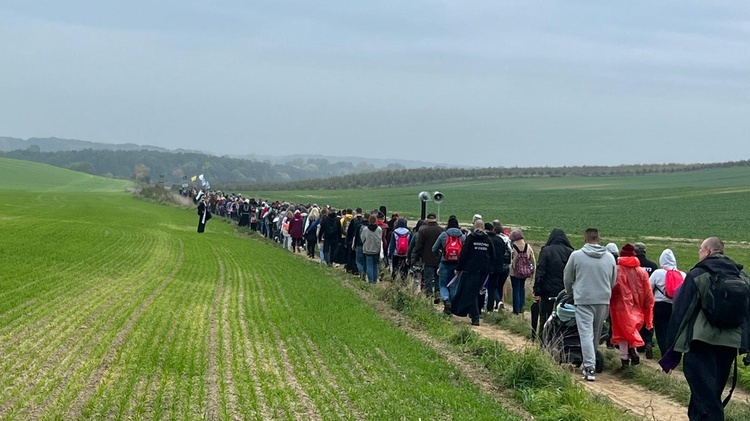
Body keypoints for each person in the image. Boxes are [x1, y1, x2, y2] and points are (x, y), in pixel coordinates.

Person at [664, 237, 750, 420]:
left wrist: (670, 353)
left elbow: (681, 313)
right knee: (710, 395)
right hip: (729, 346)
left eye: (700, 250)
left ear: (708, 252)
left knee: (706, 401)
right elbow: (747, 314)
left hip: (700, 344)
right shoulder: (741, 276)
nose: (699, 253)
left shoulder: (698, 274)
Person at [563, 227, 617, 382]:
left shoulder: (576, 256)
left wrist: (571, 293)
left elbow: (567, 277)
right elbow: (613, 280)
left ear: (585, 239)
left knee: (585, 333)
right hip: (603, 300)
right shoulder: (609, 258)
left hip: (583, 299)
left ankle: (589, 367)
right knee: (595, 333)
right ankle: (590, 363)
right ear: (598, 239)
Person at [610, 244, 654, 369]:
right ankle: (632, 350)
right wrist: (648, 308)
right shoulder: (642, 272)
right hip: (637, 306)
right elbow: (648, 292)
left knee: (622, 332)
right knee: (631, 330)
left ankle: (624, 360)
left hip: (619, 306)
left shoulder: (617, 270)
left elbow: (611, 287)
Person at [452, 220, 495, 326]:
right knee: (475, 293)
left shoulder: (470, 238)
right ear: (484, 227)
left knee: (470, 293)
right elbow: (493, 256)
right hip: (483, 271)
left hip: (470, 270)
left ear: (474, 227)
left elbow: (464, 254)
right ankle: (474, 314)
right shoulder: (488, 240)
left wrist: (458, 268)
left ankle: (474, 317)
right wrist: (490, 269)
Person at [533, 228, 574, 339]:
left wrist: (537, 290)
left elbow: (540, 272)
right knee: (563, 319)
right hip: (565, 291)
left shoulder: (546, 250)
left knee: (544, 317)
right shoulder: (571, 252)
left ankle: (543, 340)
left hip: (547, 290)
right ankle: (559, 340)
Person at [649, 248, 686, 356]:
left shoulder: (658, 273)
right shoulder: (682, 275)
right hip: (675, 307)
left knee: (661, 332)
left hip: (659, 306)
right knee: (673, 331)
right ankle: (673, 355)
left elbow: (648, 288)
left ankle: (664, 355)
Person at [433, 216, 465, 314]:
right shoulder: (462, 236)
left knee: (443, 285)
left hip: (445, 263)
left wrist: (439, 256)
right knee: (454, 286)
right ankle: (450, 304)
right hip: (457, 265)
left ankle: (446, 300)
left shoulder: (443, 235)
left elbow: (434, 248)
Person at [634, 242, 658, 358]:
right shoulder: (652, 266)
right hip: (648, 297)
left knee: (635, 320)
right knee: (648, 320)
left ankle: (636, 344)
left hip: (634, 298)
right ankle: (648, 341)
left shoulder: (633, 265)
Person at [412, 213, 444, 301]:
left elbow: (419, 246)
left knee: (428, 279)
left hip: (427, 258)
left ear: (427, 219)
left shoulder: (423, 230)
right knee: (438, 277)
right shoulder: (441, 230)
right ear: (436, 219)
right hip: (439, 258)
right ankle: (437, 293)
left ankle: (429, 296)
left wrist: (417, 257)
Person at [509, 228, 536, 315]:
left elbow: (511, 260)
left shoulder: (512, 246)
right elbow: (532, 260)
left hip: (514, 272)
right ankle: (522, 307)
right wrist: (532, 269)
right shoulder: (527, 246)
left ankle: (516, 310)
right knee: (522, 288)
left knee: (515, 289)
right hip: (525, 272)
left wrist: (513, 268)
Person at [486, 222, 510, 313]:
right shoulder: (500, 240)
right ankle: (497, 303)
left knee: (489, 287)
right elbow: (504, 252)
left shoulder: (488, 239)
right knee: (495, 286)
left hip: (489, 267)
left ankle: (490, 307)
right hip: (500, 267)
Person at [360, 214, 383, 283]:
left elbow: (362, 239)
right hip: (376, 249)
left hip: (367, 249)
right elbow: (380, 238)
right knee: (375, 265)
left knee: (369, 265)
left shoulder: (365, 229)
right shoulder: (379, 229)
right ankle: (375, 280)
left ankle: (370, 280)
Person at [388, 218, 411, 283]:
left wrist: (390, 255)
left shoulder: (395, 232)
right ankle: (404, 280)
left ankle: (394, 280)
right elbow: (409, 244)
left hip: (396, 253)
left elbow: (392, 244)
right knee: (404, 268)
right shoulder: (408, 232)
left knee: (395, 267)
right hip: (405, 254)